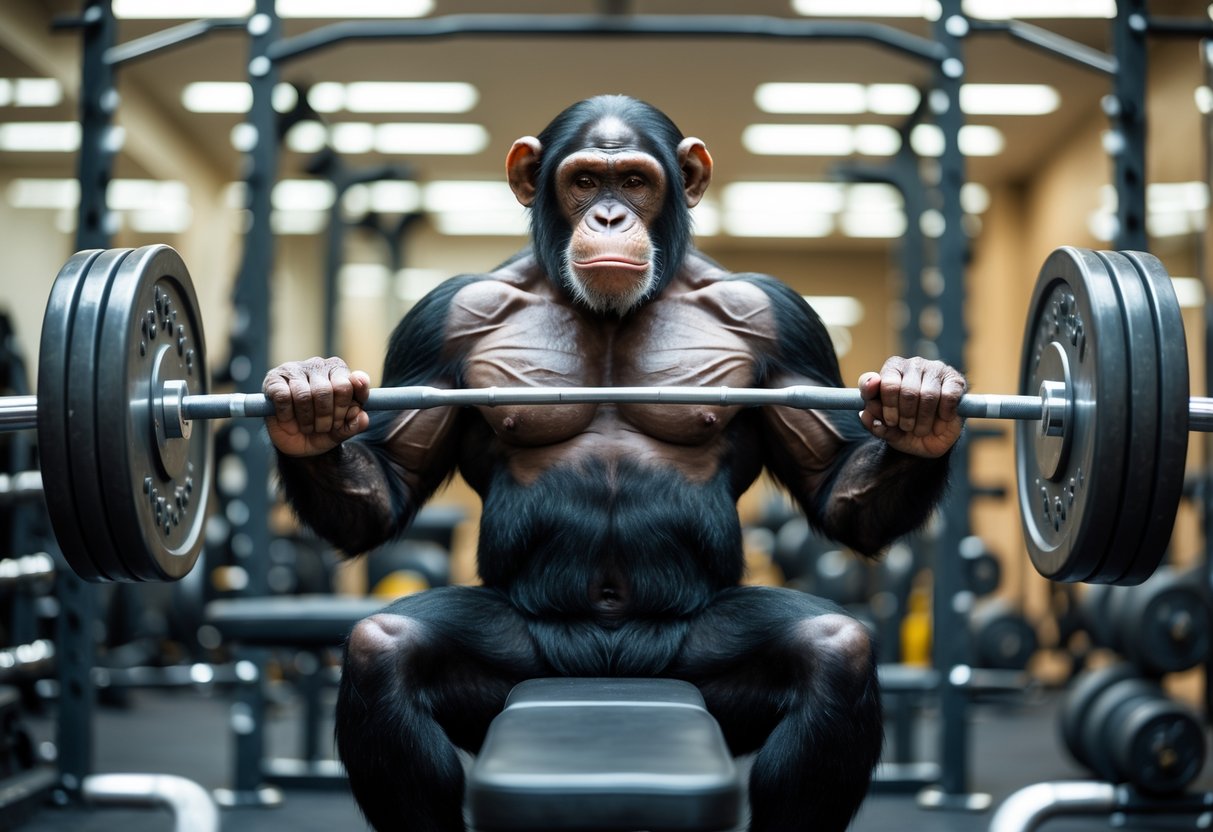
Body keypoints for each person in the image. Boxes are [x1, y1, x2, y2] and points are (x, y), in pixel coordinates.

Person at [262, 94, 966, 832]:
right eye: (583, 183)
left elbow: (849, 507)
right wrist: (313, 451)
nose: (608, 213)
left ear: (687, 180)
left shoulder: (751, 318)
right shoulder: (468, 319)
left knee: (838, 646)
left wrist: (913, 453)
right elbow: (369, 509)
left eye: (633, 183)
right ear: (529, 179)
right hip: (520, 630)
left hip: (699, 630)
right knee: (380, 647)